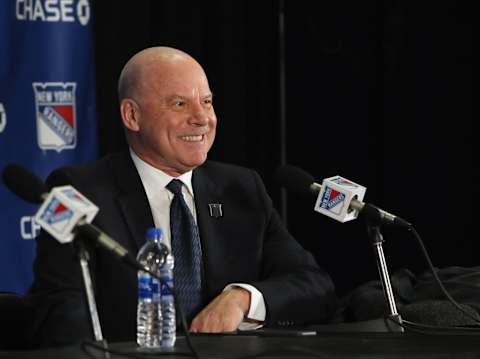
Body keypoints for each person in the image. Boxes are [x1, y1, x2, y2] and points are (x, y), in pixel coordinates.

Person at [27, 46, 337, 346]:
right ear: (132, 115)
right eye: (179, 104)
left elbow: (313, 284)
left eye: (206, 101)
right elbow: (62, 314)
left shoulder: (241, 189)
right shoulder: (78, 192)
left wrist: (242, 298)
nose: (202, 118)